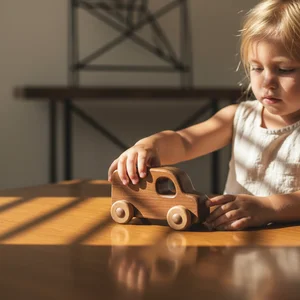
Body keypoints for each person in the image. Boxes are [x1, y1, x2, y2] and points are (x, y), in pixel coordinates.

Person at [108, 0, 300, 231]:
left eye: (284, 69)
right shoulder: (238, 117)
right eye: (257, 68)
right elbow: (185, 142)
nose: (267, 82)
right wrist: (149, 146)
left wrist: (267, 206)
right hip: (236, 246)